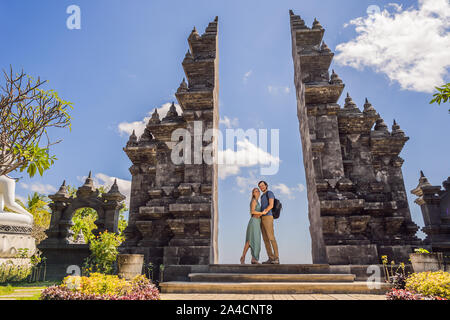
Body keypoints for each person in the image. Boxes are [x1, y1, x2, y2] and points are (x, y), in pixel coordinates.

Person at [240, 187, 267, 264]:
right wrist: (262, 213)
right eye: (255, 191)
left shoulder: (258, 202)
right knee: (250, 240)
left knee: (255, 240)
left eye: (258, 191)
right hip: (254, 222)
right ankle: (243, 257)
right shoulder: (254, 201)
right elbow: (252, 211)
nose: (257, 192)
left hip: (257, 223)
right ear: (253, 193)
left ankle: (253, 259)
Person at [258, 180, 279, 264]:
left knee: (271, 237)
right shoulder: (262, 196)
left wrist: (265, 211)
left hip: (268, 217)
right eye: (260, 186)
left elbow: (271, 205)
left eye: (262, 185)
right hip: (262, 218)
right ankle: (271, 257)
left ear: (266, 185)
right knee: (265, 239)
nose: (261, 187)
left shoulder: (269, 193)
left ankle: (276, 258)